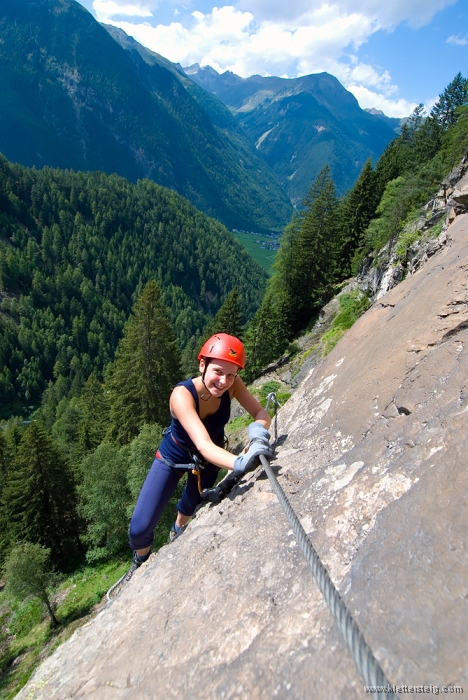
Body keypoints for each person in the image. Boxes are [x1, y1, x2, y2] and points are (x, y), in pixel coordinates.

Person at [128, 333, 274, 569]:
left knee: (191, 503)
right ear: (202, 365)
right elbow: (203, 444)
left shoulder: (233, 385)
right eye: (218, 371)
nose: (224, 381)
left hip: (211, 459)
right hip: (174, 455)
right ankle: (141, 560)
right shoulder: (181, 395)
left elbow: (261, 414)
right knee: (139, 529)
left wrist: (258, 433)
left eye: (231, 374)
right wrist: (240, 461)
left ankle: (177, 531)